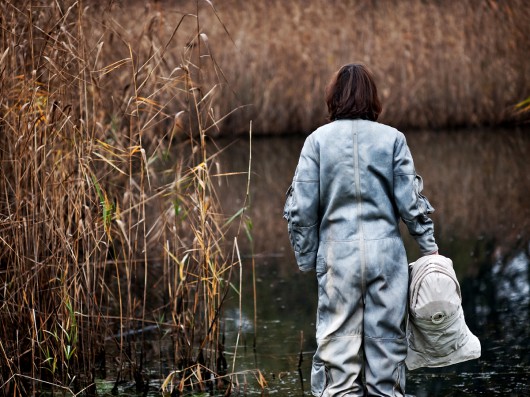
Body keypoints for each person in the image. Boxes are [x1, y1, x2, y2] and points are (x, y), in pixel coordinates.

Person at [283, 63, 439, 397]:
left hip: (338, 258)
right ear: (373, 97)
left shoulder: (316, 142)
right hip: (387, 258)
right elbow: (411, 202)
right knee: (387, 358)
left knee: (338, 362)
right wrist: (429, 248)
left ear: (333, 97)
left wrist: (306, 258)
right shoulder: (393, 139)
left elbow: (300, 209)